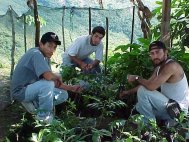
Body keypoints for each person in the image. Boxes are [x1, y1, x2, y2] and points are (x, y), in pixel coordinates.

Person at [11, 32, 83, 123]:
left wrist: (71, 88)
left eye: (54, 47)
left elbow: (51, 81)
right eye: (49, 46)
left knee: (63, 94)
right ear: (41, 44)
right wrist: (57, 75)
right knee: (47, 83)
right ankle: (43, 118)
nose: (52, 50)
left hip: (32, 89)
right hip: (21, 92)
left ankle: (36, 107)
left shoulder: (45, 57)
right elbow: (48, 78)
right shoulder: (36, 53)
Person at [120, 41, 189, 125]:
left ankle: (150, 126)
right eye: (152, 53)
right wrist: (127, 92)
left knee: (142, 93)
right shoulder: (159, 68)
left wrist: (136, 78)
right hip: (168, 106)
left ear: (165, 52)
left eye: (157, 52)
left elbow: (151, 87)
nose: (155, 56)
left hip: (177, 111)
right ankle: (163, 123)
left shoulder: (171, 66)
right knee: (138, 107)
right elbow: (147, 84)